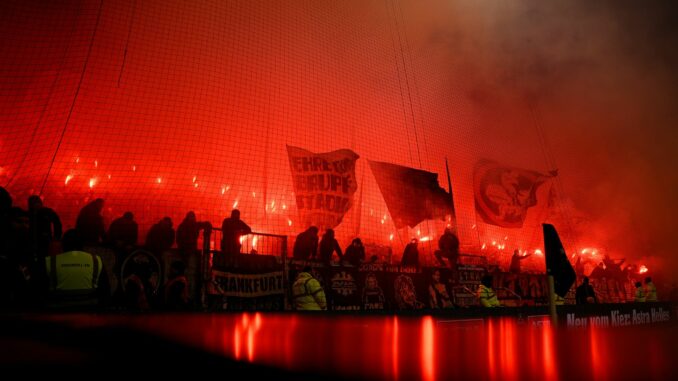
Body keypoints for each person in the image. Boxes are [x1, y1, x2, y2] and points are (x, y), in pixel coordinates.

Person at [44, 229, 109, 310]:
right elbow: (105, 291)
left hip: (58, 312)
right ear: (82, 244)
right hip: (90, 312)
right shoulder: (96, 260)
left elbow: (39, 291)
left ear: (63, 245)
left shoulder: (50, 262)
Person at [27, 195, 62, 260]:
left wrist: (56, 236)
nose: (36, 205)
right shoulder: (29, 214)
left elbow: (57, 223)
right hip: (32, 240)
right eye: (34, 203)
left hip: (45, 240)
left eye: (37, 202)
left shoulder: (47, 212)